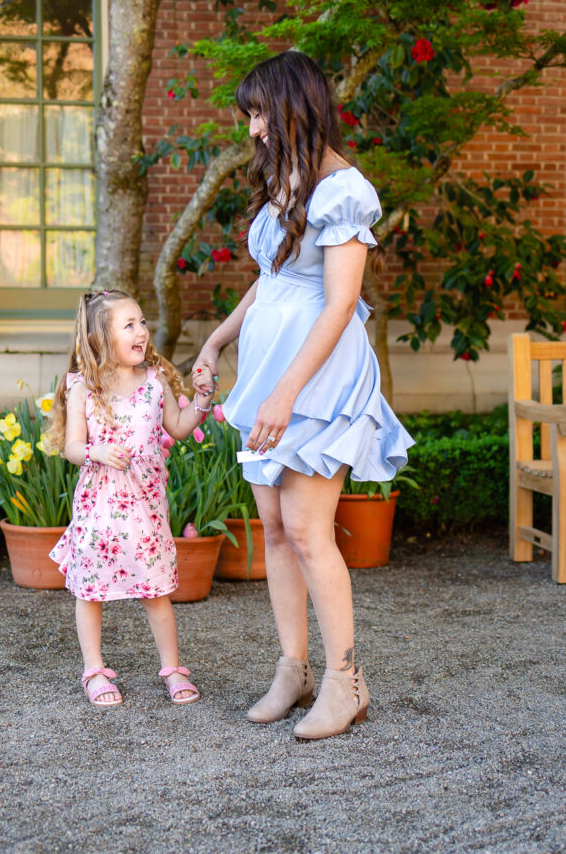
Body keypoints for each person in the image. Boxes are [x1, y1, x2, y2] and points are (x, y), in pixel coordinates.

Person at [192, 51, 414, 740]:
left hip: (316, 381)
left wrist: (285, 394)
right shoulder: (283, 180)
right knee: (278, 533)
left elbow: (339, 301)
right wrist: (217, 340)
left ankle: (346, 682)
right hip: (268, 371)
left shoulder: (343, 189)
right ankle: (294, 669)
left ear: (292, 107)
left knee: (311, 532)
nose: (253, 128)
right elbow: (271, 278)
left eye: (259, 112)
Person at [46, 289, 211, 708]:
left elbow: (177, 426)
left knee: (155, 590)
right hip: (99, 510)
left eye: (142, 321)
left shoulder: (155, 383)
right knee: (90, 592)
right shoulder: (84, 388)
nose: (142, 331)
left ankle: (172, 668)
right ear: (101, 339)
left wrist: (203, 402)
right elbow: (71, 448)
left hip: (145, 509)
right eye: (129, 325)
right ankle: (95, 670)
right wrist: (96, 452)